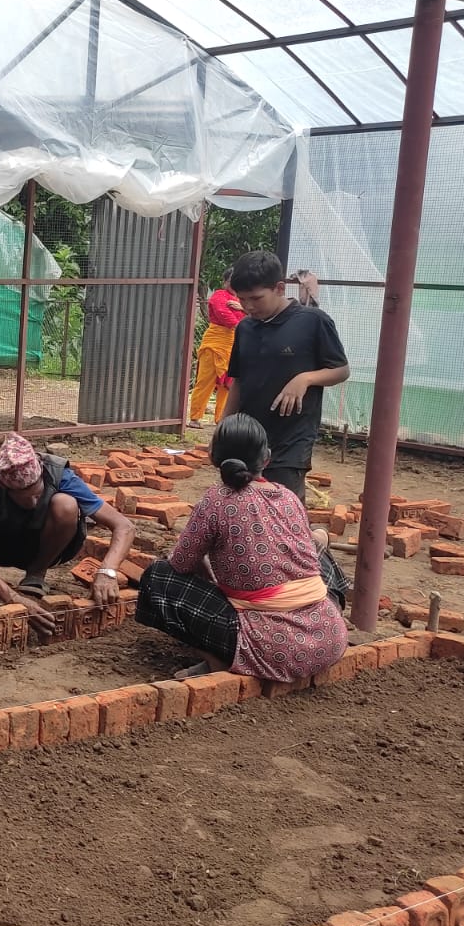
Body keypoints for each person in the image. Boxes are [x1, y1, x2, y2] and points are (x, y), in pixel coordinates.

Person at [136, 414, 348, 683]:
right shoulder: (288, 497)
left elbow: (180, 564)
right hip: (328, 638)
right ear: (267, 458)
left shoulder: (216, 500)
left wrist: (207, 570)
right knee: (320, 549)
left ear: (213, 457)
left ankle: (218, 660)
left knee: (158, 577)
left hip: (272, 647)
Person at [0, 432, 135, 634]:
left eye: (37, 494)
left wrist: (107, 572)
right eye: (24, 497)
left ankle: (36, 574)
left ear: (41, 473)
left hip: (40, 544)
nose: (33, 502)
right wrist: (14, 598)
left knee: (66, 504)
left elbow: (124, 526)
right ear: (3, 484)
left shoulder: (59, 474)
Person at [225, 250, 350, 502]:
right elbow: (238, 380)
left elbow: (341, 370)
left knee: (283, 507)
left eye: (256, 298)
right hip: (248, 436)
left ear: (279, 288)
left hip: (291, 438)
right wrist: (224, 427)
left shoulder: (313, 321)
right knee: (241, 505)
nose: (248, 306)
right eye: (242, 299)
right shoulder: (245, 327)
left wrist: (305, 379)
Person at [187, 268, 243, 428]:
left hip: (233, 345)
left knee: (228, 384)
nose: (235, 284)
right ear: (225, 282)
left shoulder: (242, 300)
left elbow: (253, 318)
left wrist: (242, 309)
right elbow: (227, 318)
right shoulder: (219, 296)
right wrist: (244, 318)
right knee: (206, 381)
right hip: (214, 345)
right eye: (231, 280)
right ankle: (195, 417)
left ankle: (222, 418)